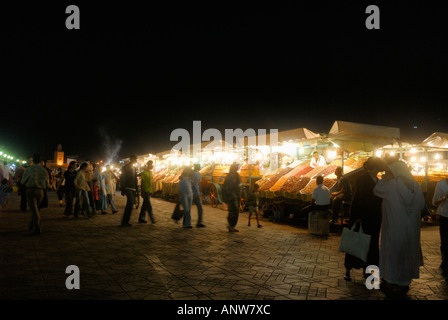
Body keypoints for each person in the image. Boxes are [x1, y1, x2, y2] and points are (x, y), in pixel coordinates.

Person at [373, 159, 425, 298]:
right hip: (411, 230)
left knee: (394, 255)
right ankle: (404, 282)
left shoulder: (392, 184)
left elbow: (377, 190)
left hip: (395, 228)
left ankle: (392, 282)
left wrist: (384, 179)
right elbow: (420, 205)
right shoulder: (415, 185)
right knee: (407, 255)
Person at [344, 157, 384, 281]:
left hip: (375, 217)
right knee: (359, 242)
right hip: (364, 217)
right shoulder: (363, 179)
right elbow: (357, 199)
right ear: (375, 167)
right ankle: (349, 270)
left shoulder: (377, 180)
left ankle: (370, 273)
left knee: (372, 245)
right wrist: (357, 217)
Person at [21, 153, 49, 236]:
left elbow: (23, 181)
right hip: (40, 191)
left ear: (32, 159)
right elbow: (47, 182)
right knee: (36, 208)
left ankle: (37, 227)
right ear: (40, 160)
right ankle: (31, 225)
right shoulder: (43, 170)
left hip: (31, 190)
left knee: (34, 209)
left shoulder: (29, 169)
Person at [432, 176, 448, 282]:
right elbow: (434, 202)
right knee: (445, 242)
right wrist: (444, 198)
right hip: (445, 216)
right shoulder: (441, 183)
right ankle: (445, 265)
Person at [119, 155, 138, 227]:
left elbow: (135, 178)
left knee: (130, 204)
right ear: (131, 159)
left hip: (132, 188)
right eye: (135, 159)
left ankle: (126, 221)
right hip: (127, 187)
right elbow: (122, 178)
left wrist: (136, 189)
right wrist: (122, 188)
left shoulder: (134, 168)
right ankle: (124, 221)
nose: (136, 160)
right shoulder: (126, 167)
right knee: (130, 204)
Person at [223, 163, 242, 232]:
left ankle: (232, 225)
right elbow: (226, 187)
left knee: (235, 211)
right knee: (233, 211)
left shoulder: (236, 175)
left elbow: (239, 184)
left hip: (236, 195)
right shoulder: (230, 176)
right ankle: (231, 225)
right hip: (232, 196)